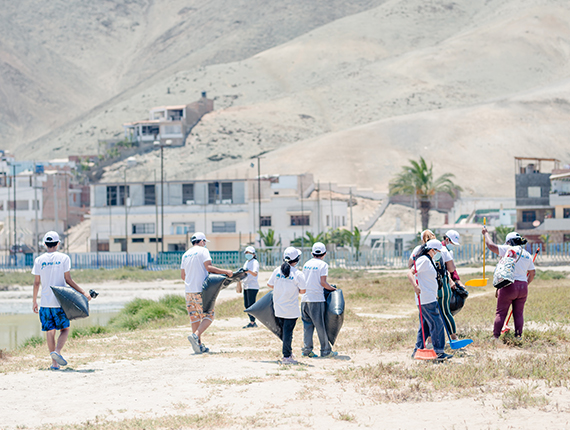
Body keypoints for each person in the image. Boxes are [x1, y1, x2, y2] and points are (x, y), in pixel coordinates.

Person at [32, 231, 91, 370]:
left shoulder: (39, 260)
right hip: (60, 302)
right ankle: (57, 351)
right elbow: (68, 280)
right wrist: (83, 292)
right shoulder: (64, 258)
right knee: (65, 329)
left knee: (49, 331)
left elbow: (36, 283)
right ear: (58, 243)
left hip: (45, 303)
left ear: (45, 244)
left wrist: (34, 301)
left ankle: (54, 364)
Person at [181, 232, 233, 354]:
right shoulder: (203, 251)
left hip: (189, 291)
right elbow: (209, 268)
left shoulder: (185, 254)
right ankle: (195, 336)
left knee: (194, 318)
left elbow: (183, 276)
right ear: (202, 241)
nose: (205, 244)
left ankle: (198, 345)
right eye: (204, 242)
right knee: (209, 316)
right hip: (201, 290)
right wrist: (227, 272)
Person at [482, 228, 535, 339]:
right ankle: (518, 336)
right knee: (519, 313)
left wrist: (486, 234)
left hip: (509, 286)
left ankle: (495, 337)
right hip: (523, 287)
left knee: (501, 313)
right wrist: (526, 283)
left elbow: (491, 246)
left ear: (509, 242)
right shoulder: (527, 254)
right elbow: (532, 273)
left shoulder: (509, 249)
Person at [408, 239, 452, 361]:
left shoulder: (429, 260)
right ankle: (439, 352)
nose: (439, 254)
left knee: (425, 326)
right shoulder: (424, 260)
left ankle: (417, 350)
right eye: (438, 251)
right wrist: (415, 287)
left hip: (428, 297)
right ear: (432, 250)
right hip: (426, 298)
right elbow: (410, 273)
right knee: (437, 324)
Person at [267, 247, 306, 364]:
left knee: (284, 332)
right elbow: (303, 291)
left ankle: (288, 351)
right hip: (291, 309)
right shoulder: (298, 274)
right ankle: (286, 356)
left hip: (278, 307)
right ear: (297, 259)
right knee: (288, 333)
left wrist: (281, 287)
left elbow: (270, 285)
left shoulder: (276, 271)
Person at [301, 242, 338, 358]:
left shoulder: (306, 264)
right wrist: (333, 289)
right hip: (316, 300)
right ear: (325, 253)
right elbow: (323, 283)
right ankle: (326, 351)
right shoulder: (323, 265)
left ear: (312, 253)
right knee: (320, 326)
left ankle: (307, 351)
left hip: (304, 299)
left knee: (307, 326)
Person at [242, 246, 260, 328]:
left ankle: (253, 322)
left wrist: (248, 271)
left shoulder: (254, 262)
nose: (248, 254)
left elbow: (255, 273)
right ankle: (251, 321)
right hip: (246, 286)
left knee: (251, 304)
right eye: (246, 253)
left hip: (252, 286)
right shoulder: (247, 262)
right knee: (246, 305)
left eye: (249, 253)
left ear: (253, 254)